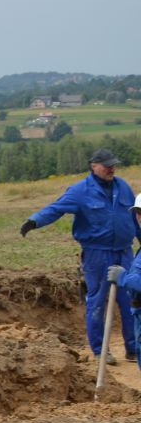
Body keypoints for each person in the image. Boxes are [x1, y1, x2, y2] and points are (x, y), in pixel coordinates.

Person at [21, 148, 138, 364]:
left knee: (132, 298)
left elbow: (134, 216)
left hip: (124, 251)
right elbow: (56, 209)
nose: (112, 168)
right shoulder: (80, 191)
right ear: (94, 166)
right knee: (98, 301)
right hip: (97, 254)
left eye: (114, 164)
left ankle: (134, 349)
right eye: (106, 165)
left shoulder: (123, 187)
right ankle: (100, 350)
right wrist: (34, 221)